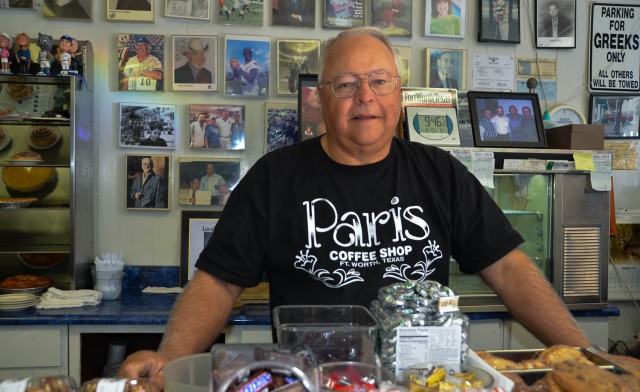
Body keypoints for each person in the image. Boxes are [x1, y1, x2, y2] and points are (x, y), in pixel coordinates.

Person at [119, 27, 591, 388]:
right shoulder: (275, 177)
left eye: (378, 81)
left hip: (420, 380)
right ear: (321, 98)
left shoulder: (440, 173)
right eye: (345, 84)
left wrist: (586, 353)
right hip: (314, 382)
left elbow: (507, 267)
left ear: (398, 95)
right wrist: (170, 357)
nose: (365, 97)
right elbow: (218, 282)